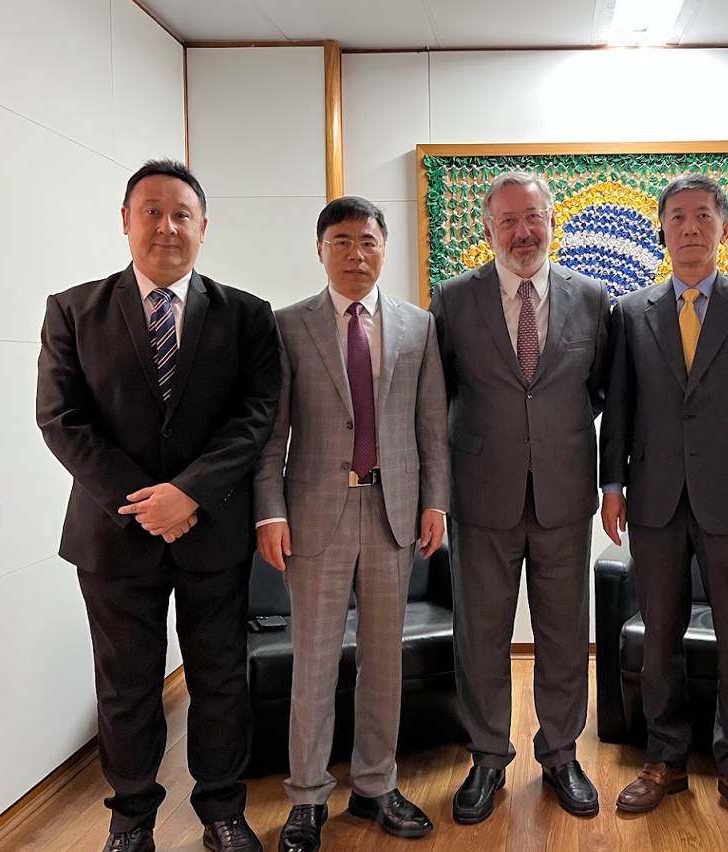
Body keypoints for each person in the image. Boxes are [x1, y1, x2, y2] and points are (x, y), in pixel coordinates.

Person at [36, 159, 280, 852]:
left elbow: (256, 416)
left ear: (204, 227)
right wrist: (147, 503)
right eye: (152, 211)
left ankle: (223, 810)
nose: (167, 227)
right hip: (113, 536)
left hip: (213, 530)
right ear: (125, 221)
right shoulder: (73, 310)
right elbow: (61, 419)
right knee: (126, 686)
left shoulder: (246, 314)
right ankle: (131, 819)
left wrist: (189, 492)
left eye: (182, 214)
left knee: (220, 679)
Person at [599, 173, 728, 830]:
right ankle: (665, 759)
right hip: (654, 498)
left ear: (724, 227)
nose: (689, 228)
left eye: (702, 216)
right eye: (677, 217)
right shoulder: (630, 312)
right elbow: (619, 409)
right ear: (661, 230)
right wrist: (612, 487)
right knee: (659, 635)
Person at [253, 196, 449, 848]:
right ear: (320, 250)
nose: (355, 254)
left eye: (367, 241)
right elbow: (272, 434)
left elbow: (431, 426)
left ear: (384, 248)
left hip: (393, 513)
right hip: (315, 515)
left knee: (383, 663)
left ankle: (375, 785)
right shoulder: (288, 325)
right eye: (341, 241)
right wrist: (270, 511)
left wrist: (435, 502)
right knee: (313, 662)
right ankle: (306, 797)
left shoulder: (419, 325)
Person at [429, 171, 609, 823]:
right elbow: (437, 396)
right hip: (481, 495)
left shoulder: (592, 297)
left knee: (565, 634)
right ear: (488, 230)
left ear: (552, 220)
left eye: (532, 217)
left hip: (563, 493)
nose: (522, 232)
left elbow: (599, 390)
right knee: (481, 635)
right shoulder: (453, 299)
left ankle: (560, 754)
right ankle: (487, 757)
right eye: (507, 220)